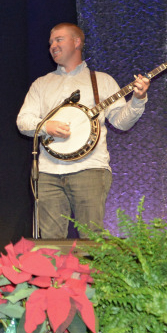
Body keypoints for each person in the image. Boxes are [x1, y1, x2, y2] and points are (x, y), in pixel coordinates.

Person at [16, 22, 150, 238]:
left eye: (59, 39)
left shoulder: (102, 81)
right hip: (48, 173)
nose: (53, 45)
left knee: (92, 242)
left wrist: (138, 99)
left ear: (77, 42)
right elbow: (23, 121)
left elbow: (121, 122)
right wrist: (45, 126)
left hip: (90, 169)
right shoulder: (41, 84)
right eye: (51, 42)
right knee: (50, 246)